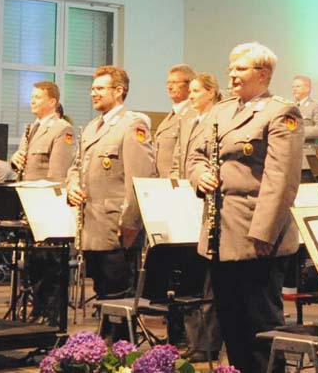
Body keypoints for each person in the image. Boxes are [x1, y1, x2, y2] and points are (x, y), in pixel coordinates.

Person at [189, 43, 302, 373]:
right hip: (220, 235)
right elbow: (194, 156)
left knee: (260, 328)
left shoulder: (281, 112)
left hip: (257, 237)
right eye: (231, 68)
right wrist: (200, 176)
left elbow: (281, 180)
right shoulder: (221, 111)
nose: (232, 74)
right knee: (231, 325)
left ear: (263, 74)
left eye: (240, 69)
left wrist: (263, 233)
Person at [66, 66, 155, 311]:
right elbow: (75, 167)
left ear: (119, 91)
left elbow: (140, 178)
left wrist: (131, 222)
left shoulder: (132, 125)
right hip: (91, 226)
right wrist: (72, 187)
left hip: (116, 227)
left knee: (118, 296)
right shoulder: (93, 126)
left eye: (100, 88)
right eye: (92, 89)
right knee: (103, 293)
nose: (93, 93)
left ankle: (119, 347)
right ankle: (105, 345)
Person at [170, 72, 223, 362]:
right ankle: (195, 339)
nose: (190, 96)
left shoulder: (218, 117)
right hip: (186, 199)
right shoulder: (190, 120)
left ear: (212, 92)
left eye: (195, 91)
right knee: (190, 279)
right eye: (189, 91)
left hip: (205, 204)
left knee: (207, 281)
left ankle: (208, 342)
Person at [13, 81, 76, 324]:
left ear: (52, 101)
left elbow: (57, 173)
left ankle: (51, 314)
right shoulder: (32, 128)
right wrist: (15, 160)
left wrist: (46, 206)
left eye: (38, 96)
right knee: (33, 264)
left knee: (50, 265)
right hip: (29, 205)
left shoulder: (62, 129)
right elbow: (24, 163)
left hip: (47, 206)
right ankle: (37, 309)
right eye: (32, 96)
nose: (33, 100)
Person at [155, 65, 195, 183]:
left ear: (189, 85)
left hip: (176, 185)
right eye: (168, 82)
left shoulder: (192, 114)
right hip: (162, 183)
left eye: (175, 82)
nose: (170, 86)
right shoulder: (170, 117)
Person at [291, 75, 318, 173]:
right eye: (293, 87)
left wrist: (299, 131)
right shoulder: (289, 107)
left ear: (307, 88)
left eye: (298, 86)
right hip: (290, 159)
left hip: (306, 157)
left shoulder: (316, 105)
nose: (294, 89)